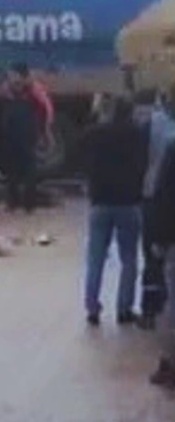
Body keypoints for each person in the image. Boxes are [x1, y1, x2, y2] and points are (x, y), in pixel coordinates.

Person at [80, 95, 148, 327]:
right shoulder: (137, 134)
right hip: (128, 203)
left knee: (96, 258)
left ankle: (92, 308)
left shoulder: (95, 133)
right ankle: (124, 309)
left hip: (99, 202)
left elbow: (83, 156)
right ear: (130, 113)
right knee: (129, 258)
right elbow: (143, 165)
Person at [141, 85, 175, 329]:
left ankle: (151, 310)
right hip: (158, 193)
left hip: (154, 194)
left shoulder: (153, 124)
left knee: (153, 256)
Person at [2, 64, 46, 212]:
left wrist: (42, 131)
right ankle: (13, 203)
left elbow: (44, 109)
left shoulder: (32, 90)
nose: (11, 78)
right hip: (13, 134)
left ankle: (28, 204)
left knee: (28, 170)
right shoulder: (10, 90)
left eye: (13, 74)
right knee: (13, 170)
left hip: (26, 133)